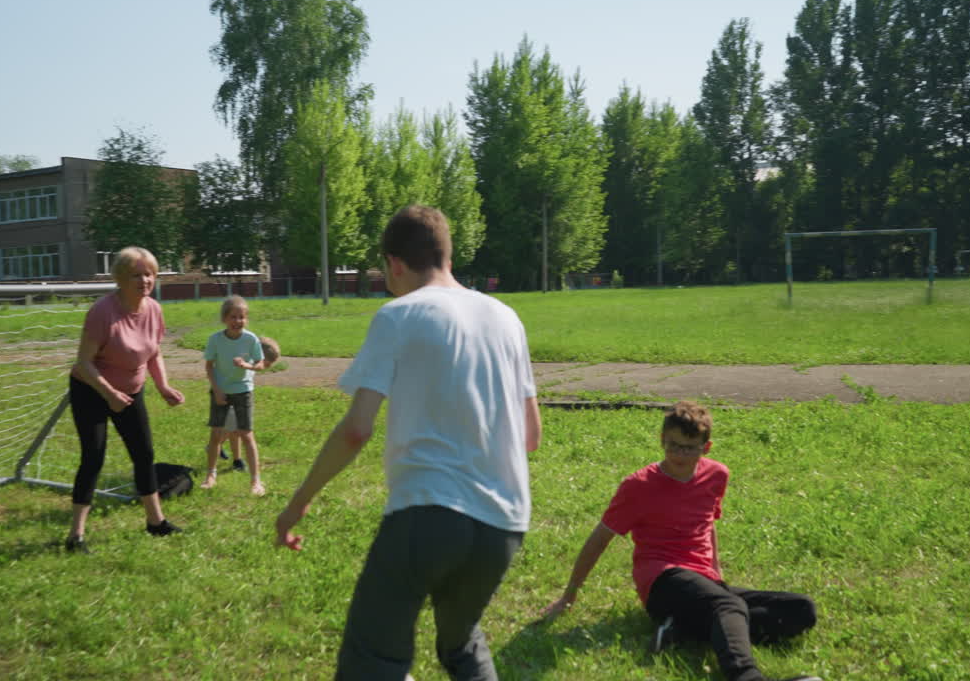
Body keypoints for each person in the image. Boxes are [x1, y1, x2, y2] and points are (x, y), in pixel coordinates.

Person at [275, 205, 543, 680]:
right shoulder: (506, 317)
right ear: (448, 257)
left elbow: (356, 429)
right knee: (462, 644)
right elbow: (531, 436)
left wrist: (298, 502)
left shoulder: (399, 315)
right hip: (504, 522)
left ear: (394, 264)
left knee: (372, 660)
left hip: (427, 516)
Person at [540, 401, 821, 681]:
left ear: (706, 447)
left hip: (702, 577)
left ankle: (681, 629)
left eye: (689, 448)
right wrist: (569, 595)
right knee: (729, 607)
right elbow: (600, 538)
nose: (679, 455)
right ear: (661, 439)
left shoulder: (716, 475)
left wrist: (716, 571)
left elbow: (708, 524)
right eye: (673, 445)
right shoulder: (638, 486)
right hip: (661, 579)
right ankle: (746, 677)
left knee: (800, 609)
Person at [65, 246, 185, 553]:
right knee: (93, 458)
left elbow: (154, 352)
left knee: (143, 454)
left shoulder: (154, 309)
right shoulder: (102, 311)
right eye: (136, 275)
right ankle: (76, 536)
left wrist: (163, 387)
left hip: (130, 392)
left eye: (149, 274)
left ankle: (155, 522)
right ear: (120, 278)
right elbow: (83, 362)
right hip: (91, 390)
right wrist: (109, 394)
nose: (145, 280)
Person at [201, 295, 266, 496]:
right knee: (216, 434)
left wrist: (247, 365)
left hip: (243, 390)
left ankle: (256, 481)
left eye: (241, 317)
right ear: (224, 319)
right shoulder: (215, 340)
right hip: (221, 391)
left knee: (246, 435)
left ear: (246, 319)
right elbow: (209, 367)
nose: (238, 321)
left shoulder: (251, 339)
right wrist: (217, 390)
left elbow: (261, 363)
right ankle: (210, 476)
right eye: (233, 317)